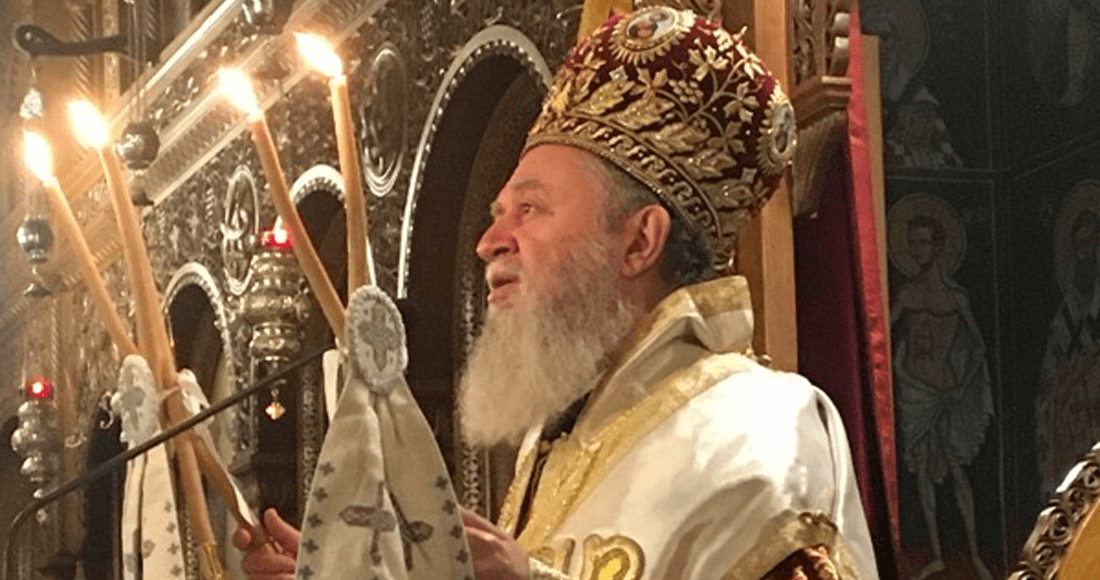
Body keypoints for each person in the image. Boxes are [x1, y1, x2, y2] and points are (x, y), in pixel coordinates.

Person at [233, 6, 879, 579]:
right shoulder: (557, 444)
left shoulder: (762, 426)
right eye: (497, 213)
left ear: (639, 241)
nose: (489, 242)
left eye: (530, 210)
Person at [888, 199, 993, 580]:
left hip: (948, 389)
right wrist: (899, 366)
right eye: (912, 243)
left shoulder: (956, 296)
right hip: (915, 391)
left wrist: (964, 384)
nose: (917, 250)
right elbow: (881, 335)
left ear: (938, 246)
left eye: (924, 243)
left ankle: (974, 553)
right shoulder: (907, 295)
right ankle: (934, 555)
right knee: (922, 473)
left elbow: (978, 346)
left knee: (956, 469)